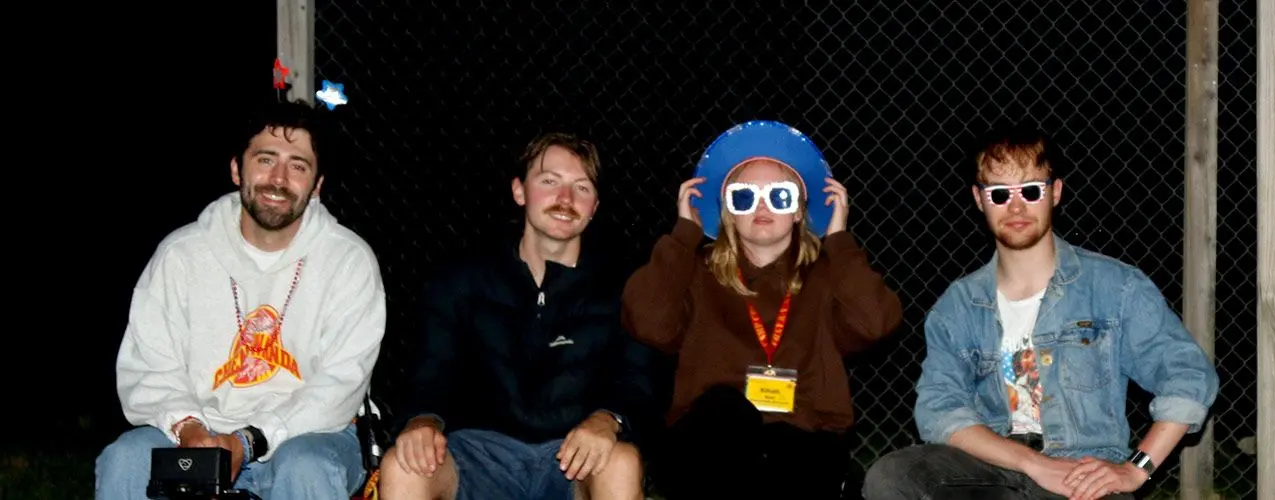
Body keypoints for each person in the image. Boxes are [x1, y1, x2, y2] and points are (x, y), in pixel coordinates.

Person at [863, 124, 1221, 500]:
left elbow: (1188, 375)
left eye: (1031, 190)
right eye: (1000, 194)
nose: (1016, 207)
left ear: (1055, 193)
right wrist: (1032, 463)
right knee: (892, 477)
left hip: (1083, 474)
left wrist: (1136, 470)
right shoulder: (958, 306)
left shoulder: (1115, 287)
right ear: (979, 199)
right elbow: (940, 410)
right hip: (994, 469)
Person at [97, 99, 386, 499]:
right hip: (197, 427)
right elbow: (149, 366)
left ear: (317, 186)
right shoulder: (181, 254)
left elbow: (339, 386)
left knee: (307, 467)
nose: (279, 179)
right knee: (125, 459)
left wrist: (250, 440)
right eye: (265, 160)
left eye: (298, 166)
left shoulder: (348, 261)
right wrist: (190, 427)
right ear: (237, 169)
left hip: (308, 436)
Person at [621, 120, 904, 497]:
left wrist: (838, 241)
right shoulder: (696, 272)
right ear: (728, 213)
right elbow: (646, 321)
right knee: (723, 410)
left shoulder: (828, 275)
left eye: (780, 196)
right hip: (710, 445)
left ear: (799, 211)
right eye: (744, 197)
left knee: (788, 449)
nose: (762, 206)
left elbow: (875, 322)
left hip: (800, 442)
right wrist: (682, 236)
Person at [377, 133, 663, 499]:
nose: (566, 199)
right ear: (519, 191)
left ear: (594, 207)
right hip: (477, 456)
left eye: (582, 187)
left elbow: (639, 381)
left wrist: (608, 419)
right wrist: (422, 420)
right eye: (549, 182)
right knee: (403, 465)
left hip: (573, 457)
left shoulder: (623, 287)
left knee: (621, 462)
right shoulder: (464, 279)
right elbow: (431, 372)